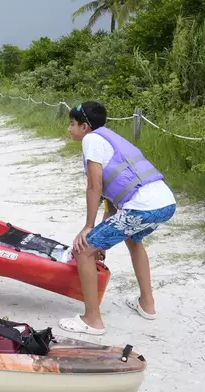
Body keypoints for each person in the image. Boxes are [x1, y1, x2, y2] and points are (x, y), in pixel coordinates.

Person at [58, 101, 176, 335]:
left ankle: (92, 320)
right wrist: (101, 238)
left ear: (85, 126)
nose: (69, 129)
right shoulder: (110, 138)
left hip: (141, 207)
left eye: (72, 124)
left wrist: (88, 228)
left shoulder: (91, 140)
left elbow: (94, 185)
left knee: (83, 250)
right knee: (132, 239)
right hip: (165, 202)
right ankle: (147, 304)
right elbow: (113, 203)